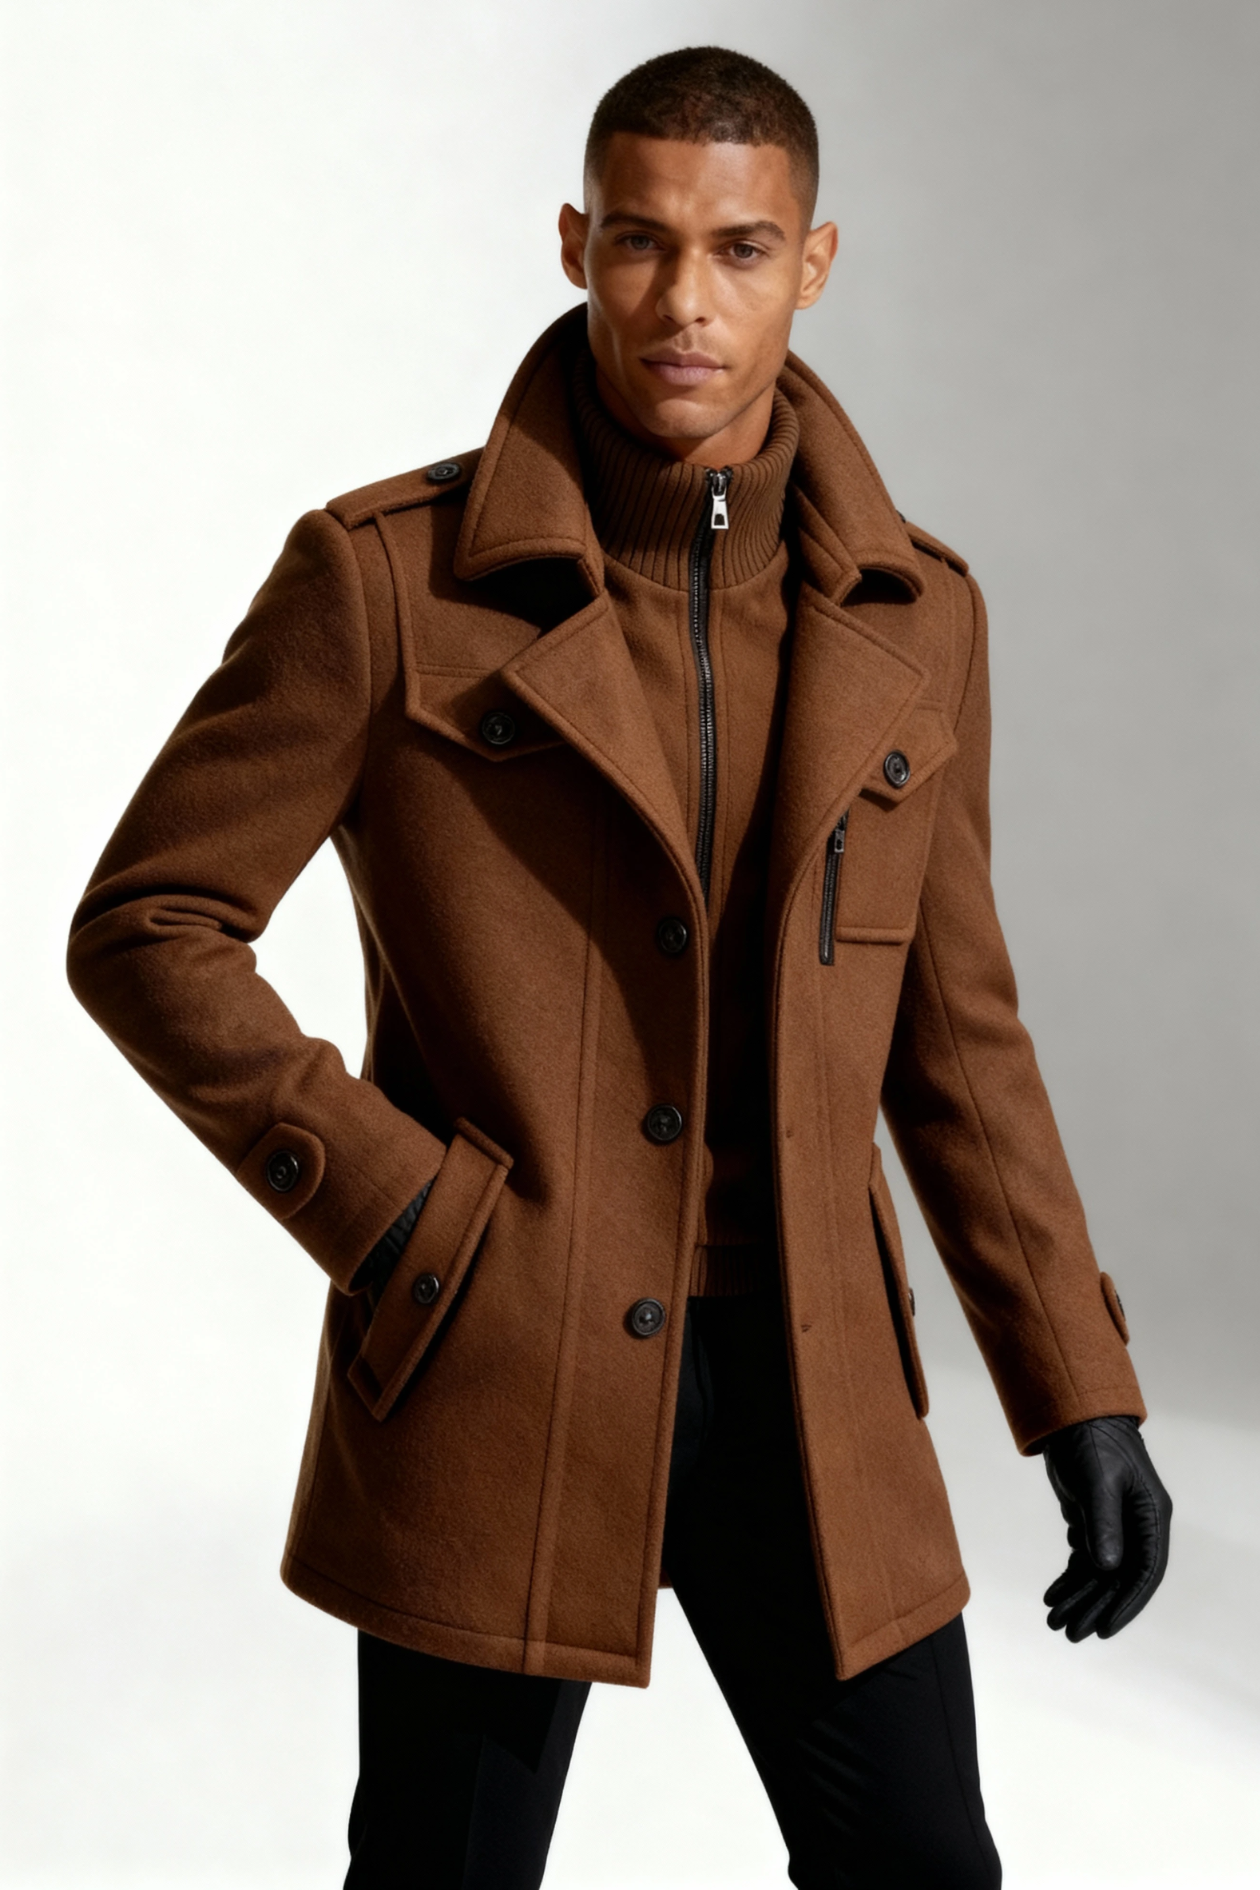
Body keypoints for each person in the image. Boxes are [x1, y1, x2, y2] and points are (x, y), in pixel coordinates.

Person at [67, 44, 1172, 1890]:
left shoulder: (920, 615)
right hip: (503, 1359)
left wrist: (1079, 1382)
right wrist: (404, 1215)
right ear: (576, 243)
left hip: (814, 1378)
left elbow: (957, 1033)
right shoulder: (386, 581)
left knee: (924, 1862)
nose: (685, 303)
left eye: (740, 249)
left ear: (815, 262)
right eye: (643, 242)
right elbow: (150, 923)